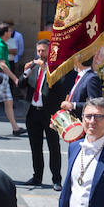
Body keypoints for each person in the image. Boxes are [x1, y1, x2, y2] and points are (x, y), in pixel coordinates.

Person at [19, 39, 70, 190]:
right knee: (35, 146)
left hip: (49, 113)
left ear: (50, 51)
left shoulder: (55, 68)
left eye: (43, 51)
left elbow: (61, 86)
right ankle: (37, 176)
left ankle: (56, 179)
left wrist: (47, 69)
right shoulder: (33, 67)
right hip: (33, 112)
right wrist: (26, 72)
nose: (40, 54)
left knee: (53, 146)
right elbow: (20, 84)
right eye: (39, 51)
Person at [0, 23, 24, 136]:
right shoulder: (1, 45)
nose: (11, 32)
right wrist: (14, 78)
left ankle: (15, 128)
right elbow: (2, 64)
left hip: (0, 75)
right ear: (5, 33)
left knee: (9, 101)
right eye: (9, 31)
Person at [59, 53, 103, 118]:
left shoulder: (91, 78)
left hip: (82, 121)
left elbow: (95, 103)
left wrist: (73, 105)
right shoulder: (80, 76)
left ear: (78, 62)